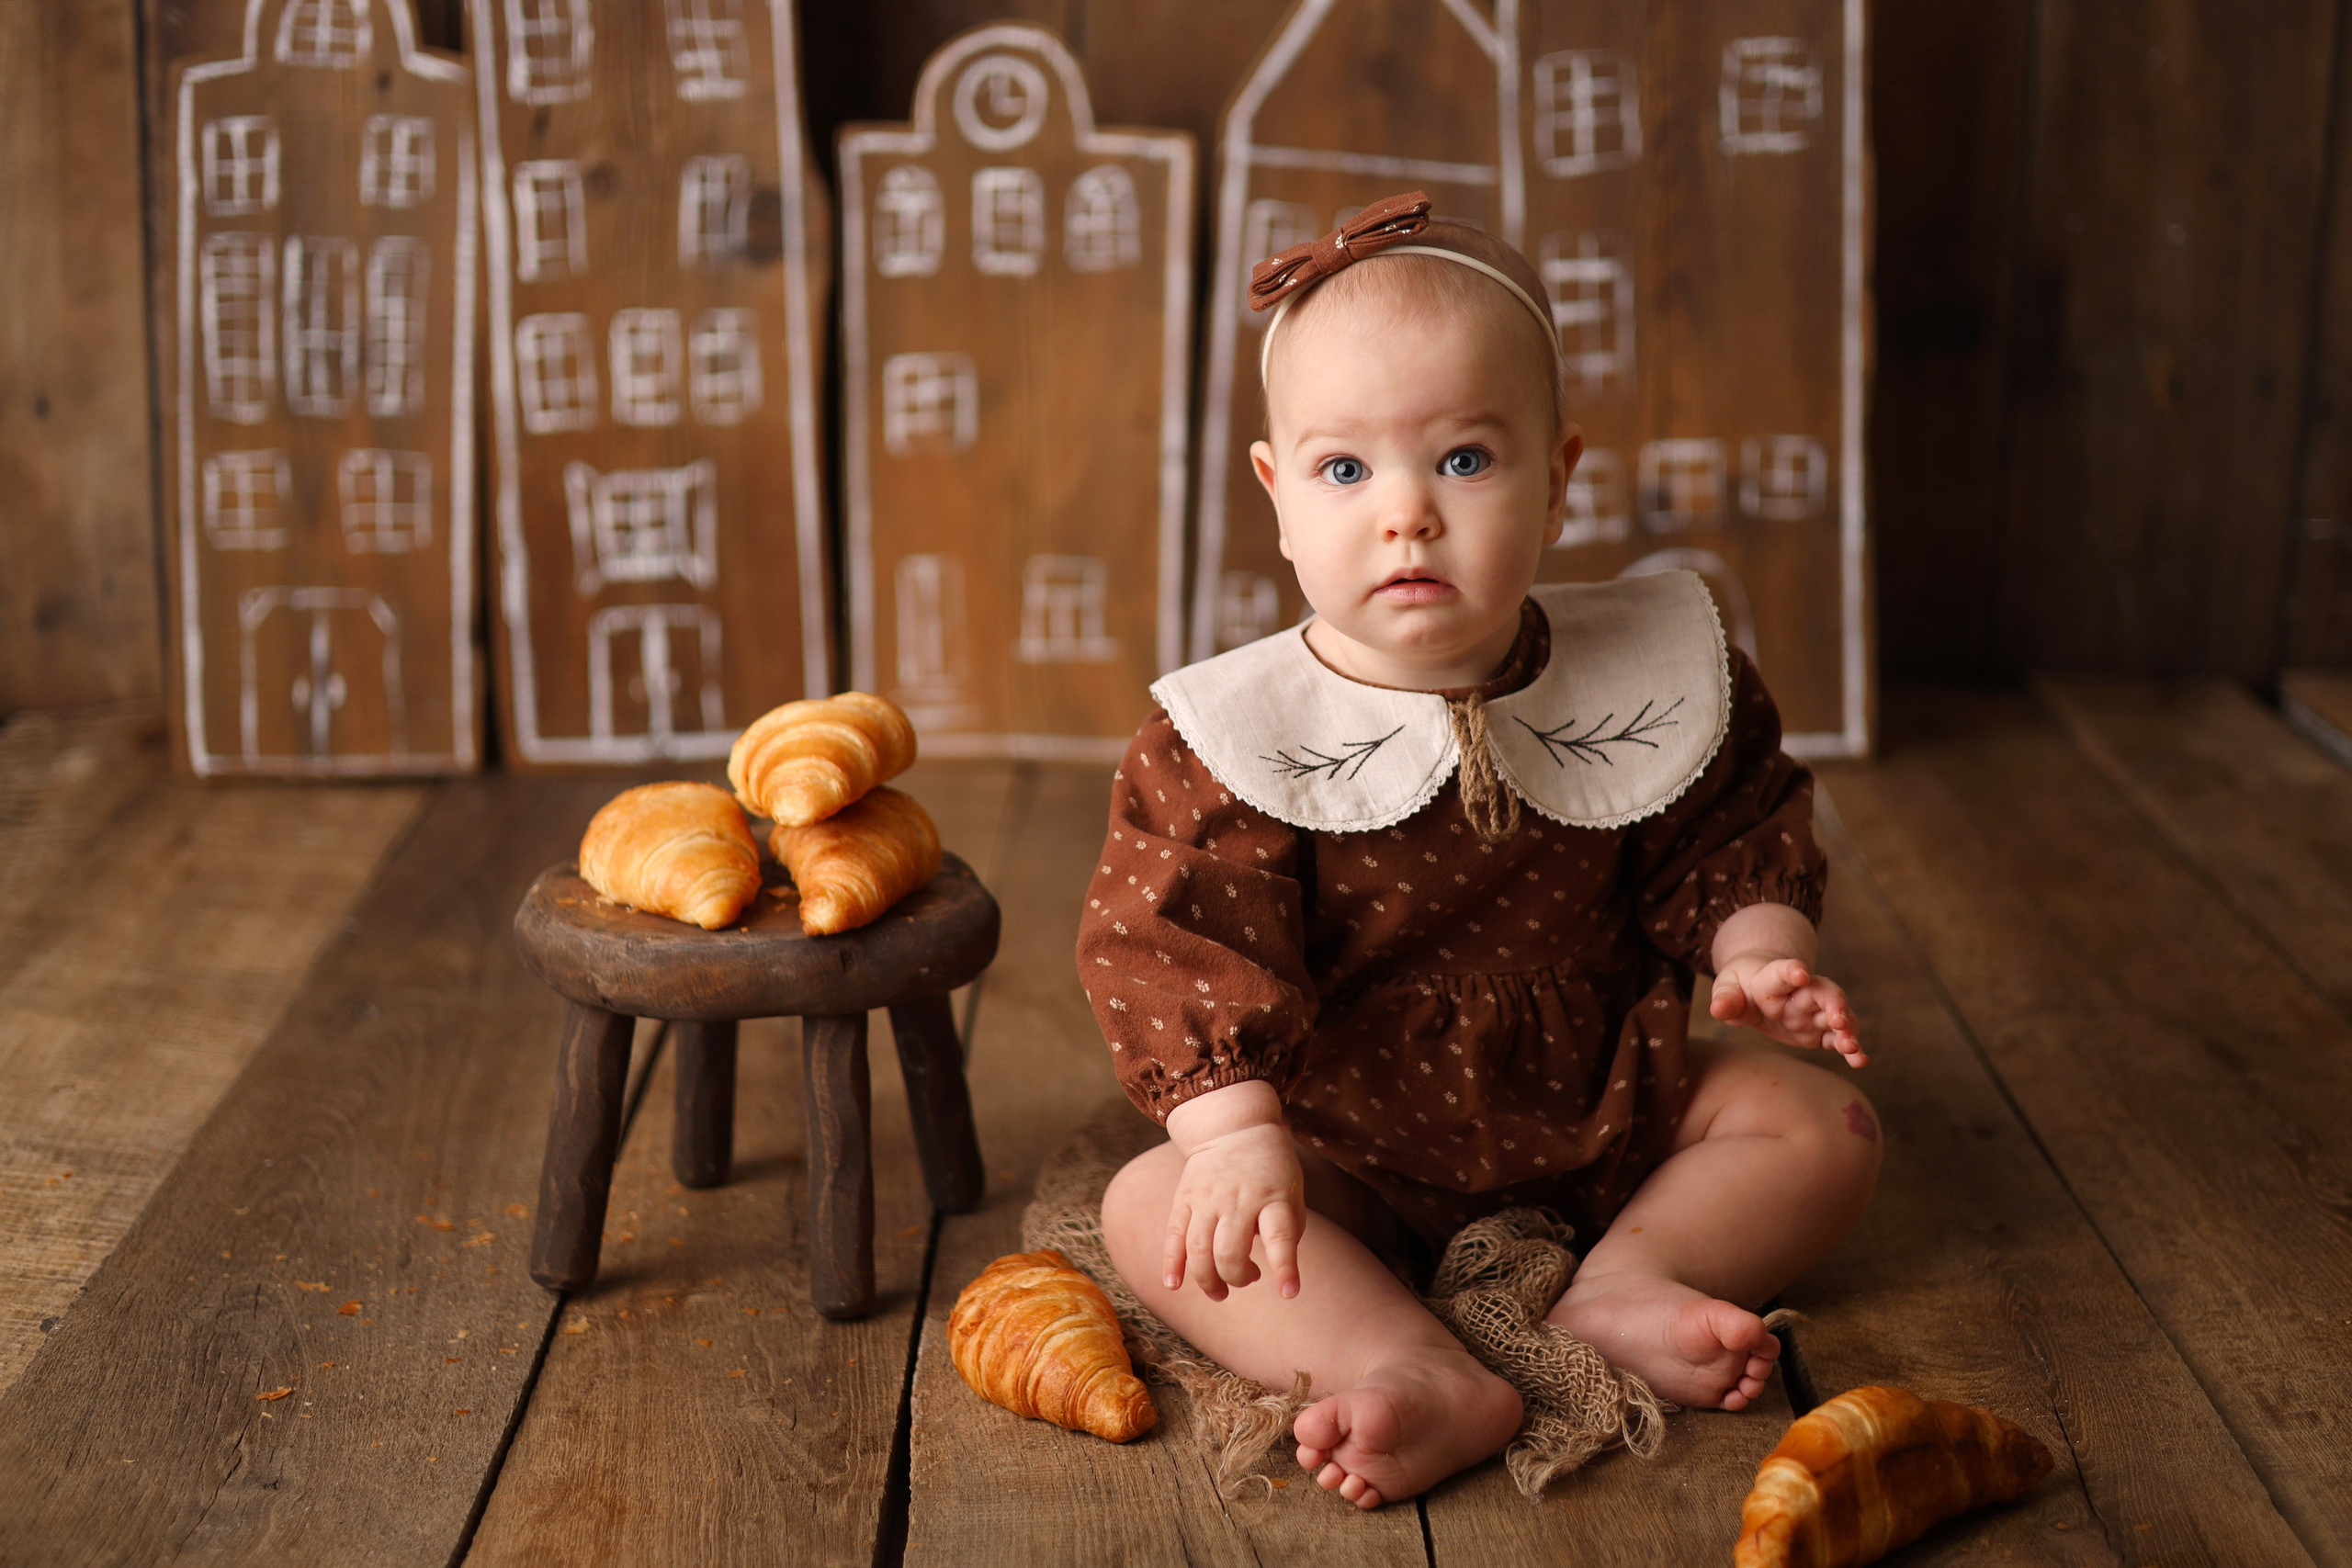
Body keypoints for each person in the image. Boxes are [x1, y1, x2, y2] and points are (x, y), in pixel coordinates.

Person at [1080, 193, 1880, 1510]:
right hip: (1347, 1151)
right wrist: (1231, 1140)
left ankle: (1631, 1282)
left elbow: (1732, 824)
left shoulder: (1656, 679)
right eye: (1348, 471)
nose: (1408, 515)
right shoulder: (1230, 742)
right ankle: (1406, 1361)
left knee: (1820, 1120)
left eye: (1462, 460)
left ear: (1559, 482)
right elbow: (1174, 943)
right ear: (1278, 495)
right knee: (1148, 1211)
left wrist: (1759, 951)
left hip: (1611, 1110)